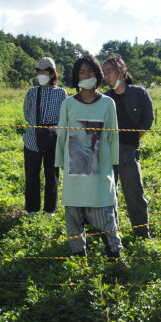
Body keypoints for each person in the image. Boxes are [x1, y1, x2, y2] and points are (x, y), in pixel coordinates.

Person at [55, 55, 121, 258]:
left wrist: (114, 165)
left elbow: (113, 136)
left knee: (106, 216)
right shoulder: (68, 104)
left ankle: (114, 255)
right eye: (82, 72)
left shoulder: (108, 103)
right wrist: (59, 164)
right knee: (74, 218)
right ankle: (78, 256)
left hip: (100, 173)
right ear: (76, 77)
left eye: (91, 71)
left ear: (98, 74)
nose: (87, 76)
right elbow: (62, 136)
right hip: (74, 172)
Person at [102, 55, 154, 238]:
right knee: (108, 194)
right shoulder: (104, 98)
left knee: (134, 194)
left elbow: (148, 120)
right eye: (104, 73)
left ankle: (141, 233)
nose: (106, 76)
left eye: (109, 72)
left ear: (121, 71)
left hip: (129, 150)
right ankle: (110, 233)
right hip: (107, 150)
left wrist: (133, 139)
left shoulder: (139, 93)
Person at [22, 57, 67, 215]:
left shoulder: (61, 93)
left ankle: (50, 210)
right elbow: (27, 114)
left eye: (45, 71)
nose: (41, 74)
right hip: (32, 140)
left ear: (52, 73)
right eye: (39, 71)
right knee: (32, 175)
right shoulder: (32, 92)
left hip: (52, 140)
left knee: (51, 175)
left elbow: (63, 117)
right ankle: (32, 209)